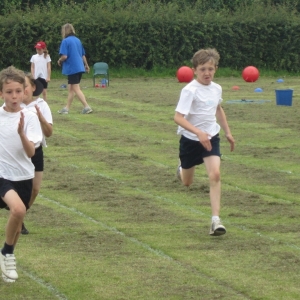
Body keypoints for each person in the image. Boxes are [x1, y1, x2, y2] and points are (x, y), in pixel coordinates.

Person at [174, 48, 235, 236]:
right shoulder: (189, 90)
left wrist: (227, 132)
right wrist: (198, 132)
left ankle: (215, 221)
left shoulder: (217, 88)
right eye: (202, 69)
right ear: (194, 70)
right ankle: (181, 169)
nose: (207, 73)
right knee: (187, 182)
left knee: (215, 174)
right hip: (191, 140)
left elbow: (218, 109)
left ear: (215, 68)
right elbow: (178, 117)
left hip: (211, 137)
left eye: (210, 69)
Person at [0, 66, 42, 282]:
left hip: (24, 175)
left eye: (18, 91)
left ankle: (7, 257)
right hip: (2, 175)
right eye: (9, 92)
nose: (14, 96)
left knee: (18, 220)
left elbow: (30, 152)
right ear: (1, 93)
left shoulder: (30, 116)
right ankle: (6, 252)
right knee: (17, 210)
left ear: (25, 91)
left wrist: (21, 134)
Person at [20, 73, 53, 235]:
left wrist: (41, 118)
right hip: (18, 152)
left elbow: (49, 133)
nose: (23, 90)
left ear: (33, 88)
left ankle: (19, 216)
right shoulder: (13, 105)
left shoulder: (41, 105)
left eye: (25, 86)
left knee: (35, 189)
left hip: (36, 151)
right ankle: (17, 216)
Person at [57, 23, 92, 114]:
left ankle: (86, 106)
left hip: (72, 68)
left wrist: (59, 60)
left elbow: (64, 56)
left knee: (75, 88)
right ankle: (66, 108)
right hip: (79, 67)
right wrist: (86, 65)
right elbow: (82, 54)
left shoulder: (65, 41)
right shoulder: (77, 40)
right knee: (71, 88)